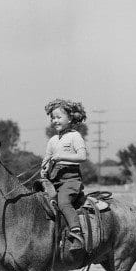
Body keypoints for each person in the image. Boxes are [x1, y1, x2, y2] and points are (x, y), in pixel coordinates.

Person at [40, 99, 88, 252]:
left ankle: (76, 233)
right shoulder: (53, 140)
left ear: (70, 118)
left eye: (59, 117)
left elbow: (82, 156)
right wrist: (44, 168)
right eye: (53, 118)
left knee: (63, 202)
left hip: (71, 180)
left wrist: (61, 157)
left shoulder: (75, 136)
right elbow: (46, 159)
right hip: (54, 180)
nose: (55, 120)